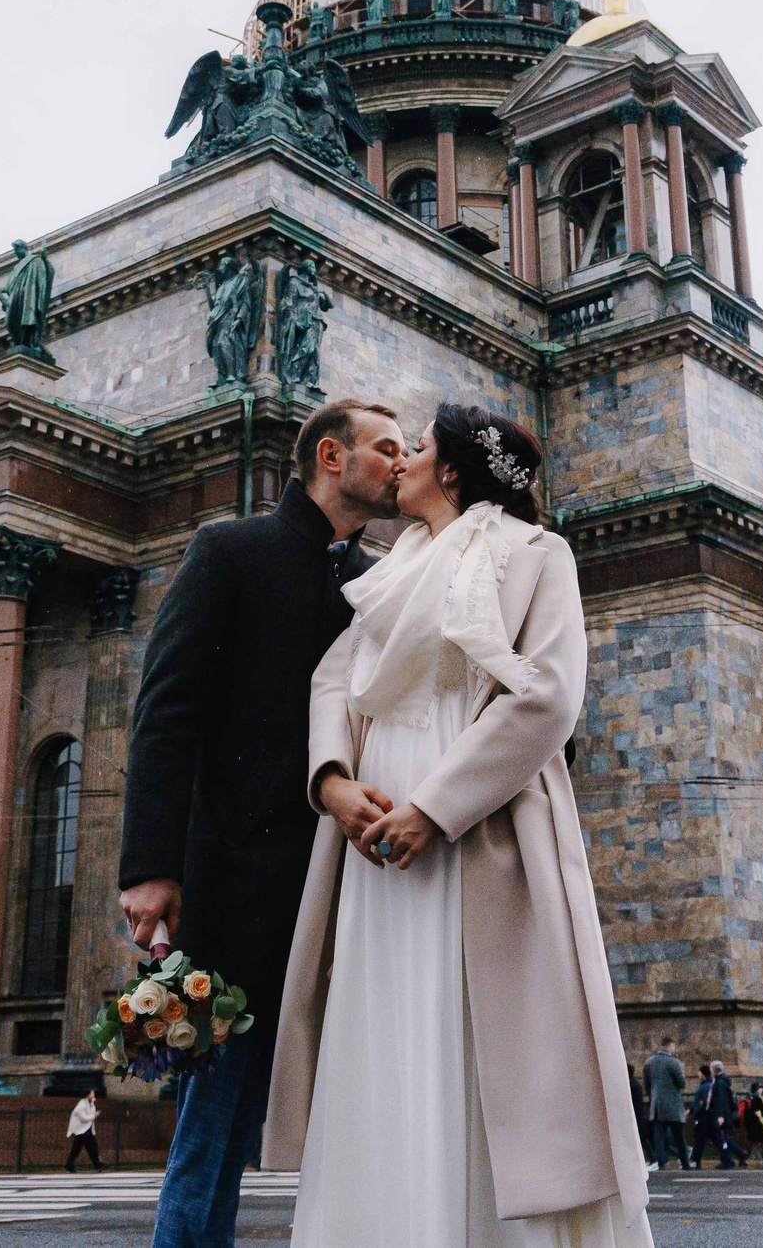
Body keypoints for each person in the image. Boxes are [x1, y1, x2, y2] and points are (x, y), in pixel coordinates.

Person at [267, 404, 655, 1248]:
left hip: (477, 829)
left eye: (420, 447)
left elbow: (548, 693)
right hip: (376, 845)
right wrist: (333, 781)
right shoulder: (391, 566)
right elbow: (334, 679)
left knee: (480, 1036)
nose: (401, 458)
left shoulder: (537, 555)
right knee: (381, 1038)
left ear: (451, 472)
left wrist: (435, 808)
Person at [121, 398, 405, 1248]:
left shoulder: (373, 576)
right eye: (385, 447)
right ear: (331, 455)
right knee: (213, 1123)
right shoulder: (228, 551)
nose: (400, 461)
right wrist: (150, 867)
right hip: (235, 888)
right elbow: (164, 714)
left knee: (290, 1121)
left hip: (338, 889)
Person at [643, 1039, 689, 1170]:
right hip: (673, 1105)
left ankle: (660, 1162)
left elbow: (647, 1084)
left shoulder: (649, 1062)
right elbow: (682, 1084)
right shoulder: (674, 1062)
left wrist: (653, 1097)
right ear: (670, 1046)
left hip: (657, 1105)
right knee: (679, 1136)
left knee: (659, 1137)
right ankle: (685, 1162)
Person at [67, 1088, 105, 1173]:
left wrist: (94, 1115)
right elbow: (83, 1118)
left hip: (87, 1130)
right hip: (81, 1131)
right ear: (88, 1095)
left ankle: (98, 1165)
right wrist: (94, 1115)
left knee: (92, 1148)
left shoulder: (90, 1103)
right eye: (92, 1093)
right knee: (78, 1149)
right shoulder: (82, 1105)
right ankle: (69, 1165)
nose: (93, 1095)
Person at [740, 1082, 763, 1168]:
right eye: (759, 1088)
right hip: (755, 1123)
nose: (761, 1090)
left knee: (755, 1142)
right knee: (757, 1142)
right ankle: (743, 1158)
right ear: (756, 1089)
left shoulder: (749, 1098)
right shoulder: (758, 1099)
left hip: (749, 1123)